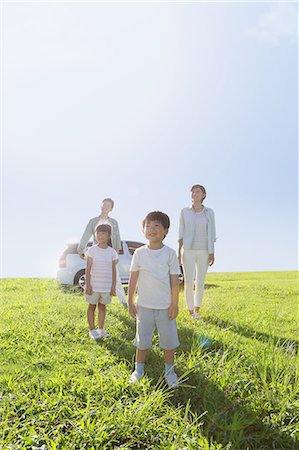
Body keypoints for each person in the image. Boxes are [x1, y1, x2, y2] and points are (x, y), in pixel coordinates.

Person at [128, 211, 181, 388]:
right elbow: (133, 278)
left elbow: (175, 280)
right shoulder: (139, 253)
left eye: (156, 226)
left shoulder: (170, 253)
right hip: (144, 306)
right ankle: (138, 370)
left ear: (165, 230)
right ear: (143, 230)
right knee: (142, 340)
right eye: (148, 226)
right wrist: (130, 301)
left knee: (168, 341)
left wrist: (174, 303)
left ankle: (170, 371)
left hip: (165, 306)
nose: (151, 229)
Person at [78, 198, 127, 305]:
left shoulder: (114, 222)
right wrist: (81, 247)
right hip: (98, 252)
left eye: (108, 206)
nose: (105, 207)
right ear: (101, 206)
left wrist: (117, 253)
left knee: (116, 277)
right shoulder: (93, 221)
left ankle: (123, 302)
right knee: (94, 274)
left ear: (111, 209)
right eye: (104, 205)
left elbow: (117, 237)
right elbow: (86, 234)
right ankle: (92, 297)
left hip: (110, 252)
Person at [178, 184, 216, 319]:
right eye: (192, 192)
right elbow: (181, 233)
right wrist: (179, 252)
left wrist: (212, 252)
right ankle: (190, 311)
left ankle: (197, 310)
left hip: (204, 251)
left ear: (203, 195)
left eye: (197, 191)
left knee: (200, 282)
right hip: (188, 250)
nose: (194, 194)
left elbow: (212, 233)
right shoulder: (184, 212)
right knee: (188, 282)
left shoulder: (209, 212)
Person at [85, 223, 118, 339]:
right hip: (94, 285)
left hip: (106, 286)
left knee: (102, 307)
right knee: (92, 306)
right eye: (98, 232)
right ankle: (92, 330)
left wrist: (113, 286)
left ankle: (101, 329)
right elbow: (88, 269)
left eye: (103, 233)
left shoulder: (112, 252)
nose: (100, 235)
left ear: (109, 235)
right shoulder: (91, 250)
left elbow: (114, 270)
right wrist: (88, 285)